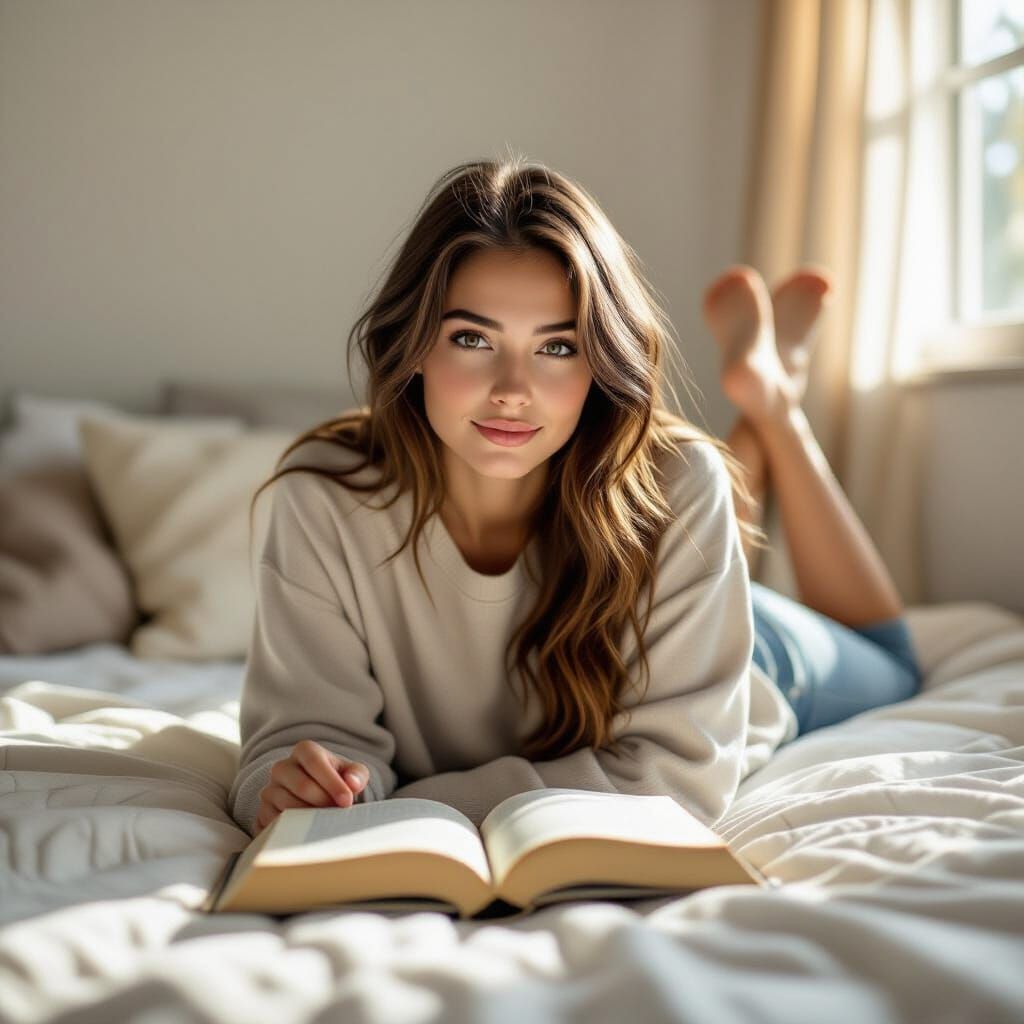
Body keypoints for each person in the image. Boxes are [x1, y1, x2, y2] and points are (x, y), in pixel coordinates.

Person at [229, 157, 923, 839]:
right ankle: (768, 391)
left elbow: (676, 776)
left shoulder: (681, 481)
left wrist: (415, 803)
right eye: (472, 338)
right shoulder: (323, 497)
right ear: (413, 346)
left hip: (746, 654)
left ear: (600, 361)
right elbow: (301, 738)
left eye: (556, 348)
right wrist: (303, 787)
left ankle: (774, 406)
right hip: (663, 560)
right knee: (687, 490)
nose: (511, 389)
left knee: (892, 659)